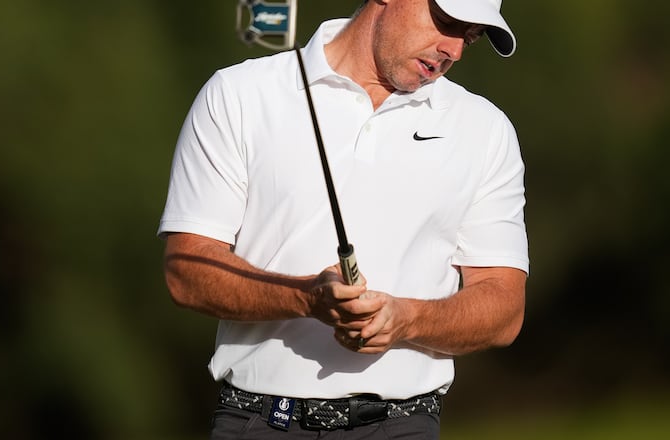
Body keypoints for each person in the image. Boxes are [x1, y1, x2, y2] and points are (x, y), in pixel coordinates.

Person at [158, 0, 528, 438]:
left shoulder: (485, 129)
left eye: (470, 36)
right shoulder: (239, 93)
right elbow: (187, 270)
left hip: (402, 425)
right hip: (258, 421)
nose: (455, 50)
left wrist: (407, 319)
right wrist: (306, 299)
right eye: (447, 23)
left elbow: (505, 309)